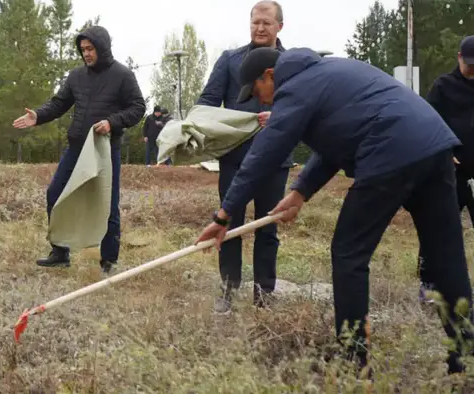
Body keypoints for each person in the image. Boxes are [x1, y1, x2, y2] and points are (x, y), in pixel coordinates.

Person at [194, 45, 474, 374]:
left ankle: (354, 363)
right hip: (436, 147)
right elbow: (334, 145)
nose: (261, 100)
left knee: (348, 253)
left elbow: (264, 154)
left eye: (257, 91)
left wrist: (223, 215)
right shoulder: (329, 73)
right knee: (446, 257)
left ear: (270, 75)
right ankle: (465, 360)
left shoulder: (295, 86)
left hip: (391, 150)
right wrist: (300, 193)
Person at [12, 25, 146, 274]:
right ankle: (60, 252)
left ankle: (109, 261)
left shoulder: (123, 75)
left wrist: (112, 122)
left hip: (105, 151)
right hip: (76, 148)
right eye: (83, 49)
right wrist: (38, 117)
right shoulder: (76, 76)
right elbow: (59, 104)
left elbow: (138, 108)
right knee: (55, 194)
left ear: (102, 47)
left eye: (90, 48)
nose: (86, 53)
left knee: (108, 204)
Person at [195, 0, 292, 313]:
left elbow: (305, 103)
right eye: (255, 23)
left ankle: (264, 295)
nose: (260, 28)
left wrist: (276, 115)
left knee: (267, 227)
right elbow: (207, 103)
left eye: (266, 22)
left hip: (275, 158)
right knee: (229, 222)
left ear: (280, 25)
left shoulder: (293, 63)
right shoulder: (229, 60)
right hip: (235, 158)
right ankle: (227, 290)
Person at [419, 35, 474, 302]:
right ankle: (429, 284)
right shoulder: (443, 86)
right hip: (449, 173)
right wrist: (444, 147)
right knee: (438, 228)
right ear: (459, 58)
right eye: (470, 63)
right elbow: (428, 119)